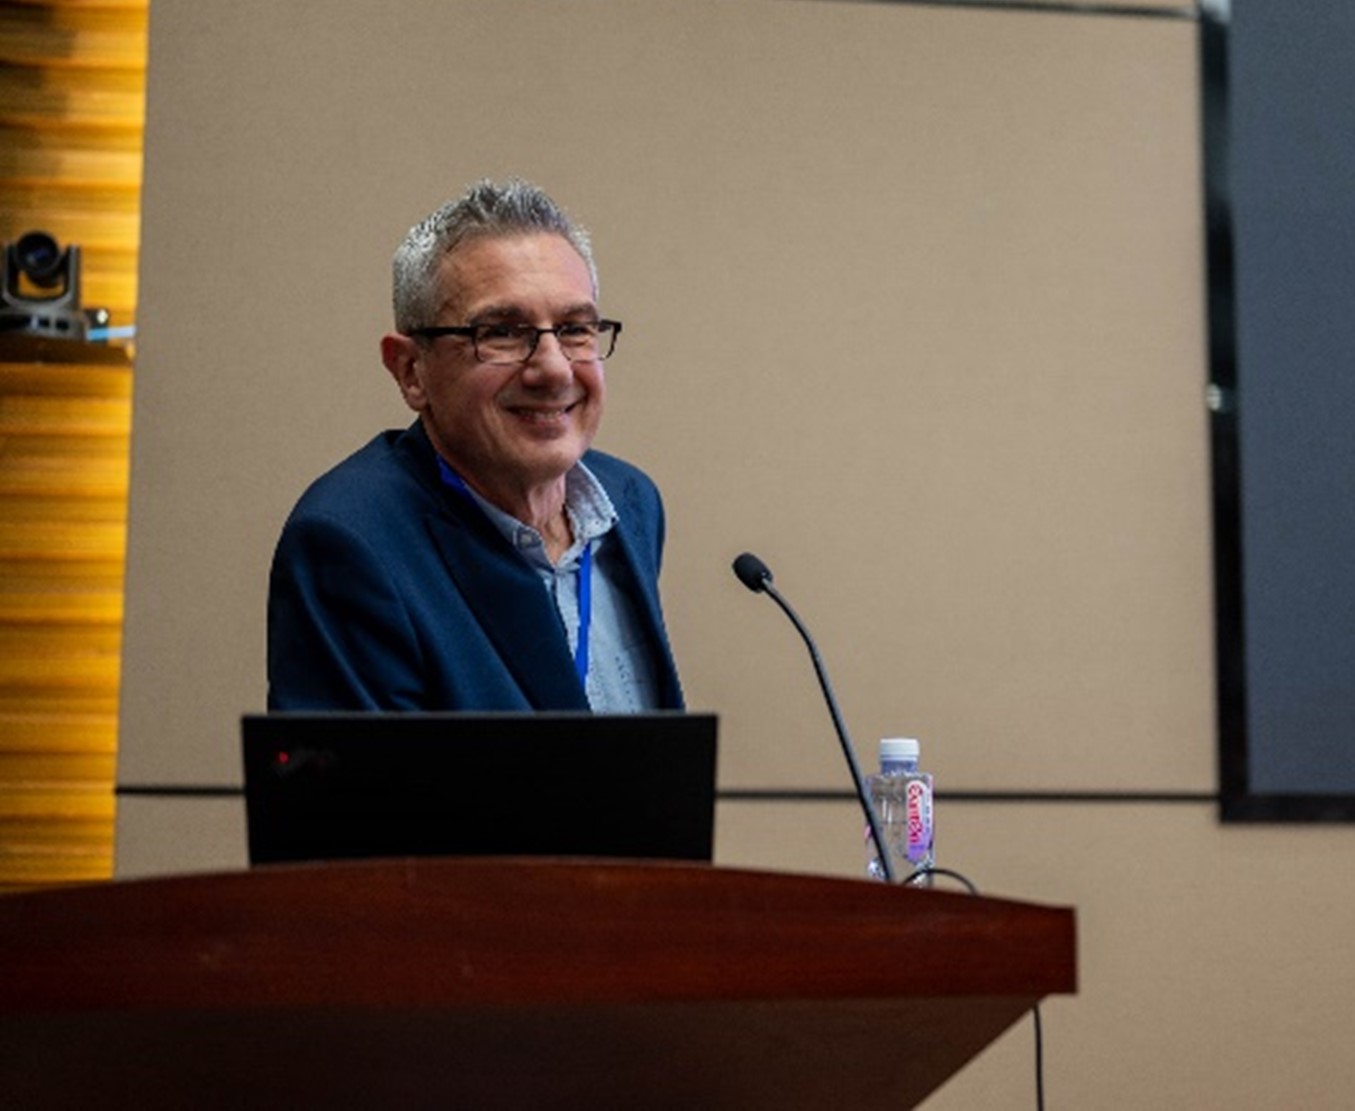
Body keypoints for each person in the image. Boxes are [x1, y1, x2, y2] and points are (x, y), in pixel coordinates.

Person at [267, 178, 684, 712]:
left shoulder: (629, 501)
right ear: (411, 371)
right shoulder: (350, 545)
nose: (554, 369)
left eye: (574, 329)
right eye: (502, 333)